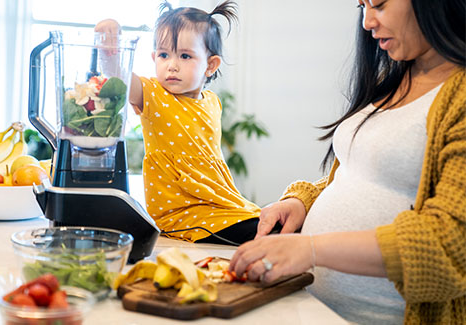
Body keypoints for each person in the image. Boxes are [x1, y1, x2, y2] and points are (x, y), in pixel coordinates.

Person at [229, 0, 465, 324]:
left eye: (379, 5)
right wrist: (304, 203)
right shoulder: (394, 75)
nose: (367, 22)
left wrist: (312, 249)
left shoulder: (460, 97)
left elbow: (450, 243)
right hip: (313, 306)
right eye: (362, 6)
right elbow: (365, 177)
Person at [95, 1, 261, 245]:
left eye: (185, 56)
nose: (171, 65)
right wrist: (108, 45)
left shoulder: (212, 101)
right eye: (163, 55)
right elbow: (117, 76)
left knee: (275, 223)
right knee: (261, 233)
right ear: (154, 58)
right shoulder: (153, 94)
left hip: (220, 203)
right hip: (182, 212)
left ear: (211, 65)